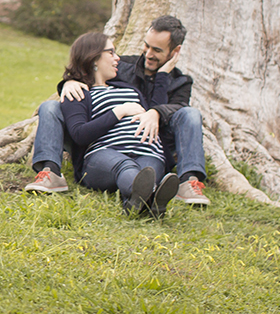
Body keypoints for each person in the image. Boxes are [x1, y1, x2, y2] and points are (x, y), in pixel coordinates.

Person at [23, 14, 211, 205]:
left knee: (189, 116)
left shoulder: (179, 82)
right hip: (105, 145)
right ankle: (50, 171)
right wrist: (69, 82)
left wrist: (160, 89)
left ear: (175, 51)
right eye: (147, 46)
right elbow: (87, 71)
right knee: (51, 107)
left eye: (157, 50)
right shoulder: (122, 67)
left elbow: (165, 107)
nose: (148, 54)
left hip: (151, 142)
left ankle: (181, 185)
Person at [29, 32, 177, 215]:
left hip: (148, 150)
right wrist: (119, 111)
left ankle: (137, 203)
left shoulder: (129, 89)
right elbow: (79, 134)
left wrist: (162, 75)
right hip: (105, 155)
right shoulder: (80, 93)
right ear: (93, 58)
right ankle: (151, 200)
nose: (118, 58)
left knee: (149, 172)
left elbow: (157, 110)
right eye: (111, 53)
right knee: (126, 167)